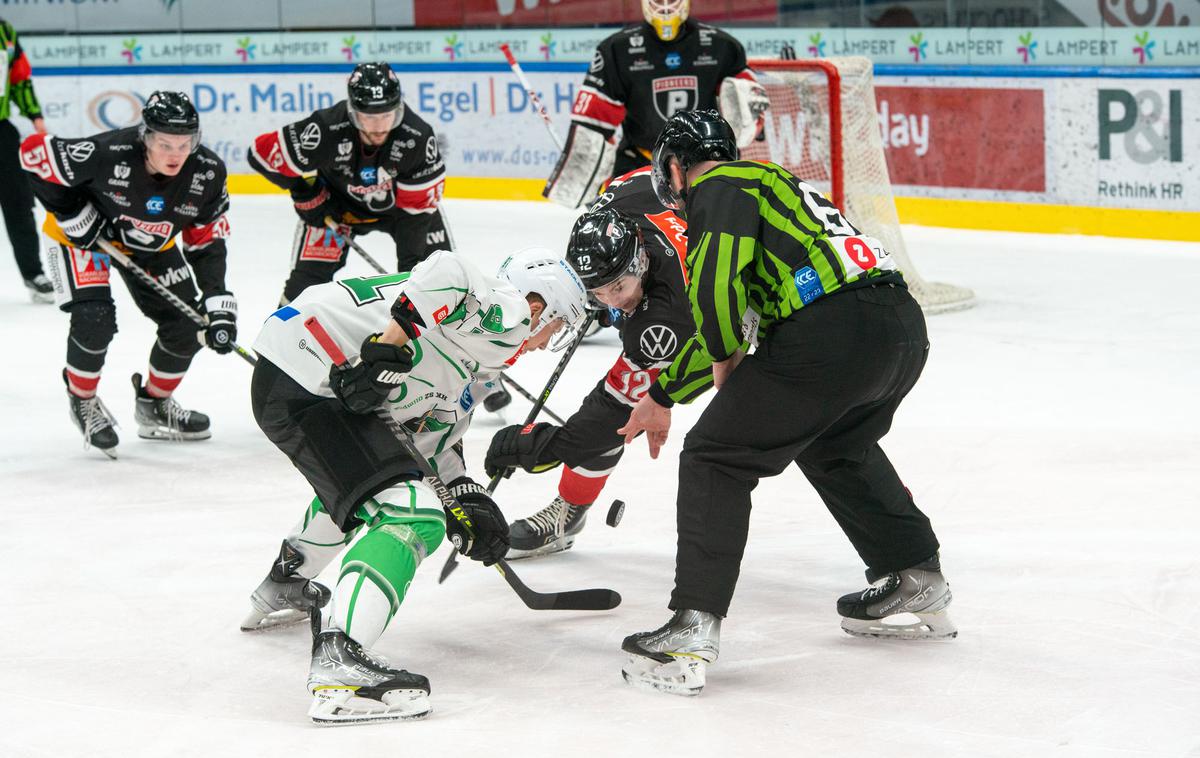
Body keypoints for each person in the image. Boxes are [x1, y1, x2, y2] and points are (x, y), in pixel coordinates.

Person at [618, 110, 954, 697]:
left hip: (830, 333)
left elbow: (715, 294)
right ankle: (915, 574)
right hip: (898, 328)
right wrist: (663, 394)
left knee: (714, 456)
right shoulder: (776, 189)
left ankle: (692, 626)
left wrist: (723, 362)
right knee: (835, 442)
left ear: (674, 167)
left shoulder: (718, 188)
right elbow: (725, 316)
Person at [241, 248, 588, 725]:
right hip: (311, 369)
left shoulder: (477, 354)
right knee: (411, 514)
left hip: (299, 375)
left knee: (382, 484)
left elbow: (428, 445)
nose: (545, 342)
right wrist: (386, 349)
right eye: (555, 326)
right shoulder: (506, 315)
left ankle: (286, 580)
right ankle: (341, 663)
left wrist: (466, 498)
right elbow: (448, 268)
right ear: (539, 305)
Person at [484, 167, 706, 558]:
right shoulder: (616, 201)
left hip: (769, 317)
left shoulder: (664, 319)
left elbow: (614, 414)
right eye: (597, 291)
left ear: (638, 262)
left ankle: (568, 513)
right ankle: (570, 511)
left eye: (617, 287)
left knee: (619, 419)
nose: (610, 299)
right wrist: (607, 296)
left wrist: (548, 447)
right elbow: (642, 176)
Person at [20, 91, 237, 458]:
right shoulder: (108, 153)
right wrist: (71, 213)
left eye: (185, 144)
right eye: (164, 143)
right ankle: (83, 399)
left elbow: (205, 241)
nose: (175, 154)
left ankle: (154, 404)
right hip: (85, 241)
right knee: (95, 318)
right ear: (146, 137)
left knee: (188, 324)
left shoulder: (208, 172)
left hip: (152, 244)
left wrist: (217, 297)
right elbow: (33, 154)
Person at [249, 61, 452, 306]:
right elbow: (260, 154)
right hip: (336, 210)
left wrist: (410, 279)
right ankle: (280, 341)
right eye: (369, 117)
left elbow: (416, 213)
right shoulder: (327, 128)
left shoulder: (417, 137)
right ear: (353, 111)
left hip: (403, 212)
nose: (379, 127)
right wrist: (304, 192)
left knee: (439, 282)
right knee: (303, 290)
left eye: (386, 116)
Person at [543, 0, 769, 209]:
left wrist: (748, 121)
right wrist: (583, 177)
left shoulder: (722, 47)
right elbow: (593, 122)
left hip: (703, 167)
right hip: (638, 164)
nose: (665, 7)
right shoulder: (617, 49)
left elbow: (747, 115)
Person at [1, 18, 52, 302]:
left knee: (19, 203)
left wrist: (35, 115)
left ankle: (33, 274)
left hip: (1, 128)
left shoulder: (4, 31)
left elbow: (19, 77)